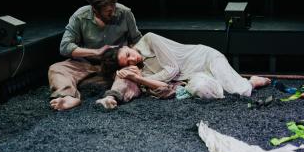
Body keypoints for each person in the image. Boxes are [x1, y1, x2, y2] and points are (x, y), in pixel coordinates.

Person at [95, 32, 271, 109]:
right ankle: (226, 83)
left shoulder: (150, 39)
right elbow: (151, 85)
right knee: (202, 90)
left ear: (127, 46)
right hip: (192, 76)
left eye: (128, 53)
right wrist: (133, 79)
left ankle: (251, 81)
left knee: (242, 91)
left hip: (204, 58)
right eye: (127, 62)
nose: (133, 59)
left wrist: (142, 77)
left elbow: (172, 69)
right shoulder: (139, 69)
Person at [48, 0, 142, 111]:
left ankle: (111, 97)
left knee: (129, 74)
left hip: (117, 65)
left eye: (114, 7)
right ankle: (68, 96)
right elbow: (65, 47)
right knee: (57, 68)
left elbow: (138, 41)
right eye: (109, 11)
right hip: (87, 63)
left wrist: (130, 56)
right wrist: (96, 52)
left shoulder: (125, 13)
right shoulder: (80, 16)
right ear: (95, 9)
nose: (114, 12)